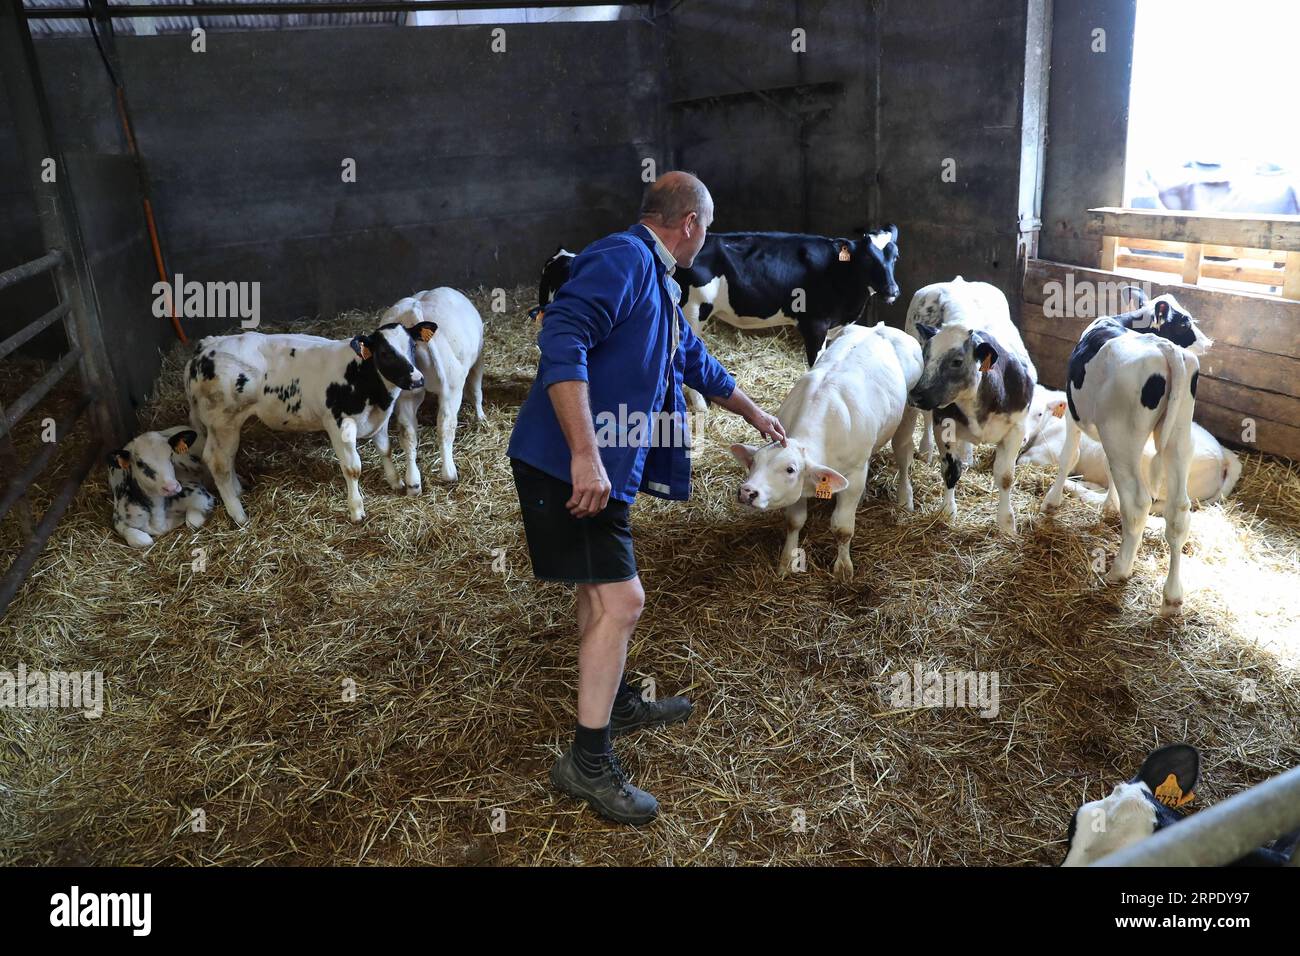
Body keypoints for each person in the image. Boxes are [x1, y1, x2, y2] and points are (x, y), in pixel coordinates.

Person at [506, 171, 787, 825]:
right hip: (570, 462)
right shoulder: (622, 257)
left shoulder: (656, 279)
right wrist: (583, 454)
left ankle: (614, 703)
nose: (705, 239)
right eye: (706, 228)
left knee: (597, 589)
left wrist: (753, 413)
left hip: (603, 462)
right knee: (623, 600)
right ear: (689, 223)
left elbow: (691, 357)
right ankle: (587, 762)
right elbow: (561, 338)